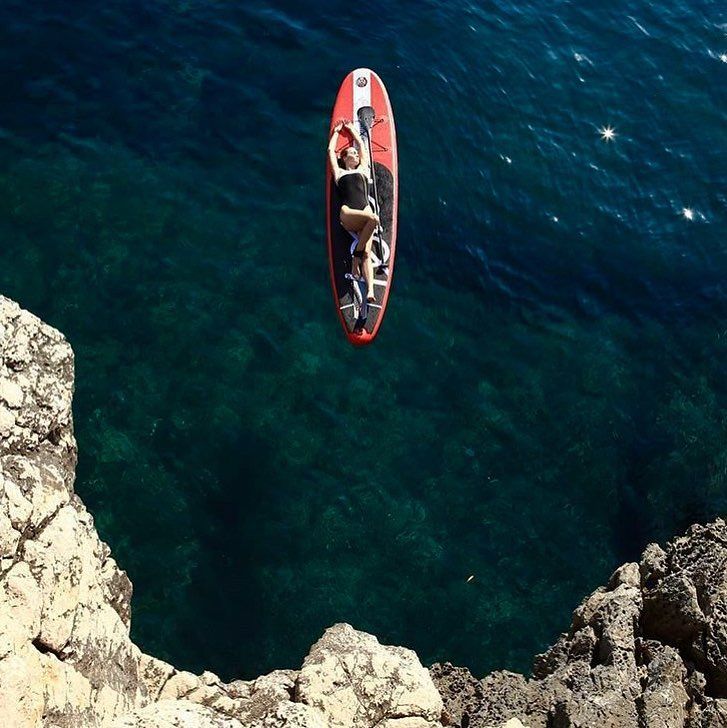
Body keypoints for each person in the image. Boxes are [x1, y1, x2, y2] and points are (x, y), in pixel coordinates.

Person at [328, 121, 378, 303]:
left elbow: (363, 146)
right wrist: (337, 132)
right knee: (373, 219)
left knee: (367, 253)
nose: (356, 155)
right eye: (352, 153)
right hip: (348, 214)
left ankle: (370, 291)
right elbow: (330, 152)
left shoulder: (363, 169)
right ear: (344, 158)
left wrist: (352, 130)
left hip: (364, 215)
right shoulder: (339, 173)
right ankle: (355, 258)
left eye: (356, 154)